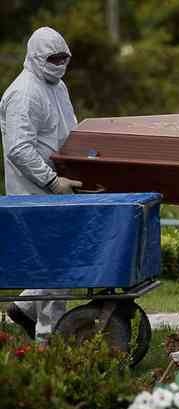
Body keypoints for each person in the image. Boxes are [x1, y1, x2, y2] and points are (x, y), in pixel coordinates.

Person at [1, 27, 82, 340]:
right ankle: (48, 338)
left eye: (64, 57)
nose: (59, 63)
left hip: (56, 185)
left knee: (61, 258)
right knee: (55, 263)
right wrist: (51, 180)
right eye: (53, 58)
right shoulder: (23, 93)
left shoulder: (57, 86)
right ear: (35, 56)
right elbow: (19, 148)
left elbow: (67, 129)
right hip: (33, 192)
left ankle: (24, 308)